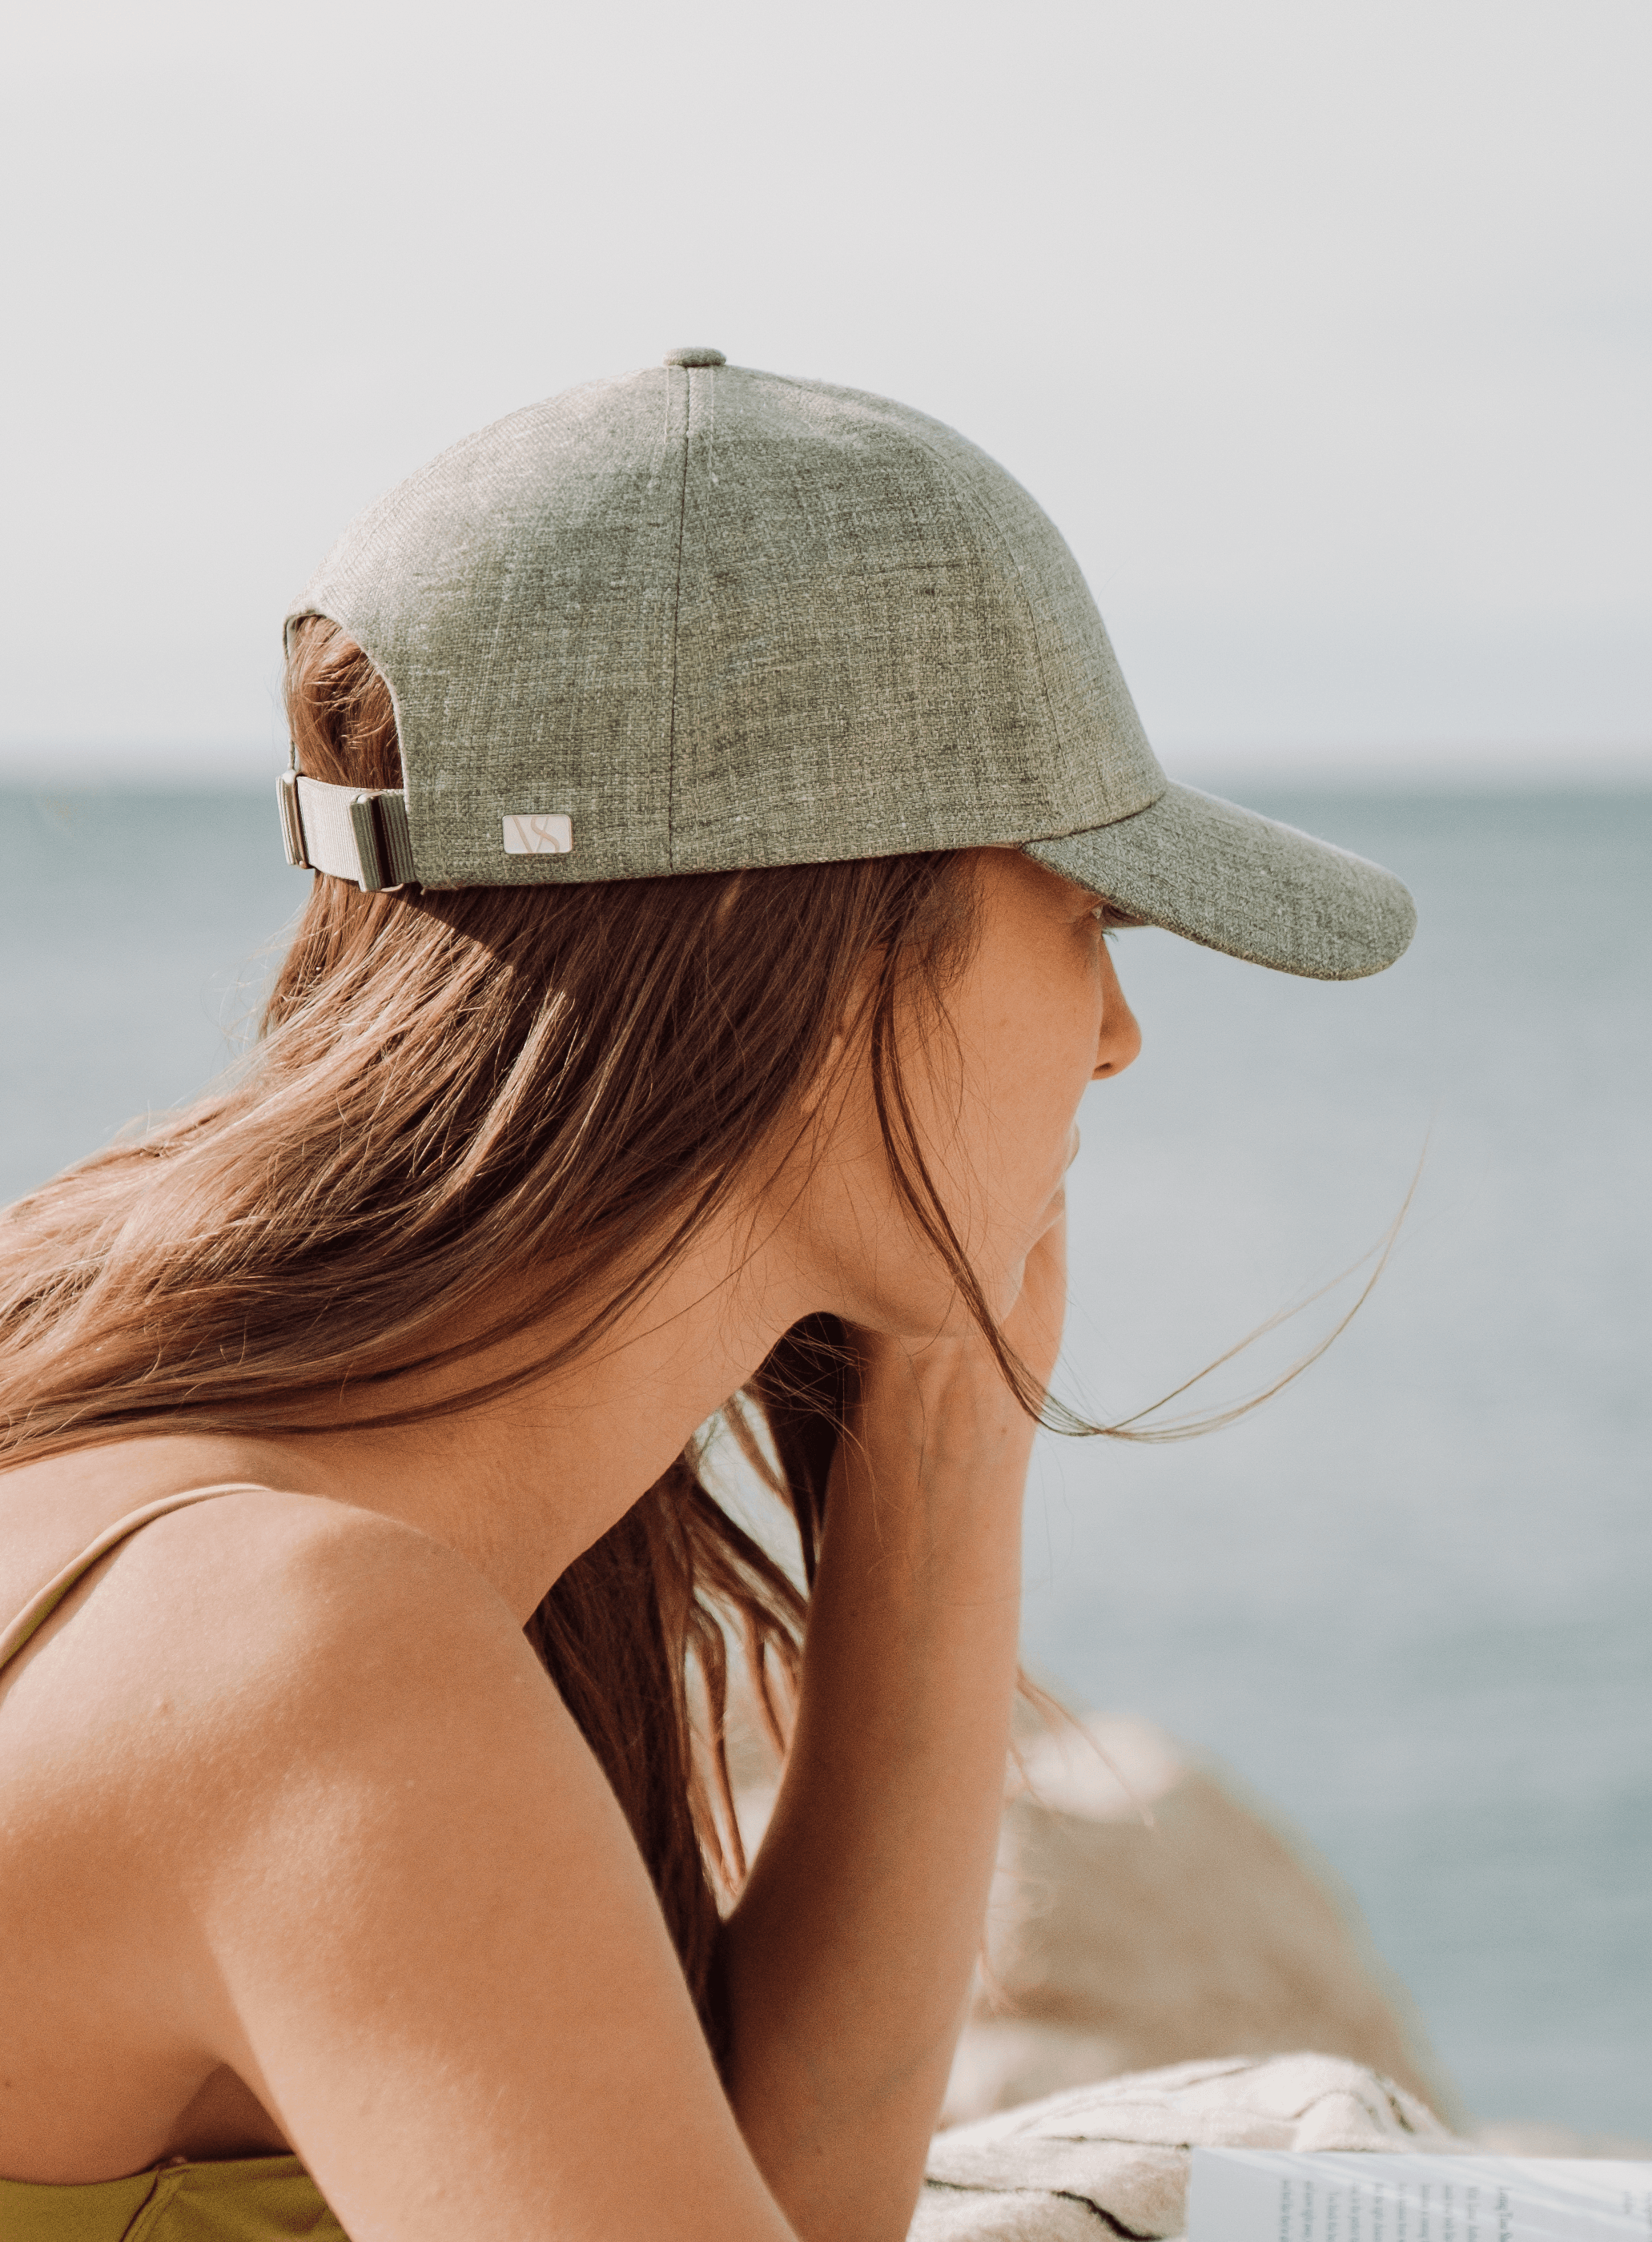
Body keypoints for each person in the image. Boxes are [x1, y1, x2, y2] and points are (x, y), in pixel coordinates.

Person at [0, 348, 1415, 2242]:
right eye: (1084, 911)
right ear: (798, 932)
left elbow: (788, 2196)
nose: (1118, 1033)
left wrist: (942, 1414)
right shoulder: (311, 1655)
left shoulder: (242, 1433)